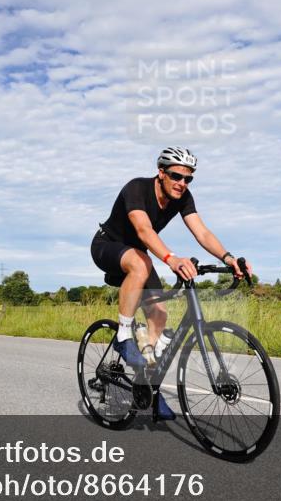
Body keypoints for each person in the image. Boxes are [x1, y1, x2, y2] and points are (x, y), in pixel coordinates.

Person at [90, 147, 251, 421]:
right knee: (140, 264)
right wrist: (171, 258)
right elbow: (143, 230)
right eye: (176, 176)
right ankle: (123, 335)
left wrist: (228, 257)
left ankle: (146, 387)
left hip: (140, 254)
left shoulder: (182, 197)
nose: (182, 184)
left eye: (188, 179)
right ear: (161, 173)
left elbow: (202, 231)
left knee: (160, 316)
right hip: (108, 246)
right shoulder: (137, 189)